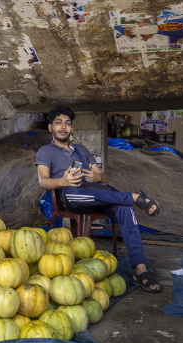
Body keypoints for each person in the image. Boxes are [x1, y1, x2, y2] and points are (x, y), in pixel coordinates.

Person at [35, 107, 162, 293]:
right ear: (50, 128)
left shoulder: (81, 149)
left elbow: (103, 177)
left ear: (71, 128)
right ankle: (133, 197)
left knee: (125, 209)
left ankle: (140, 271)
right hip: (74, 198)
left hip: (100, 195)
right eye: (58, 123)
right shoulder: (46, 151)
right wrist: (62, 181)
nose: (63, 127)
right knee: (72, 191)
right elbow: (43, 181)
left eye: (67, 123)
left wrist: (97, 178)